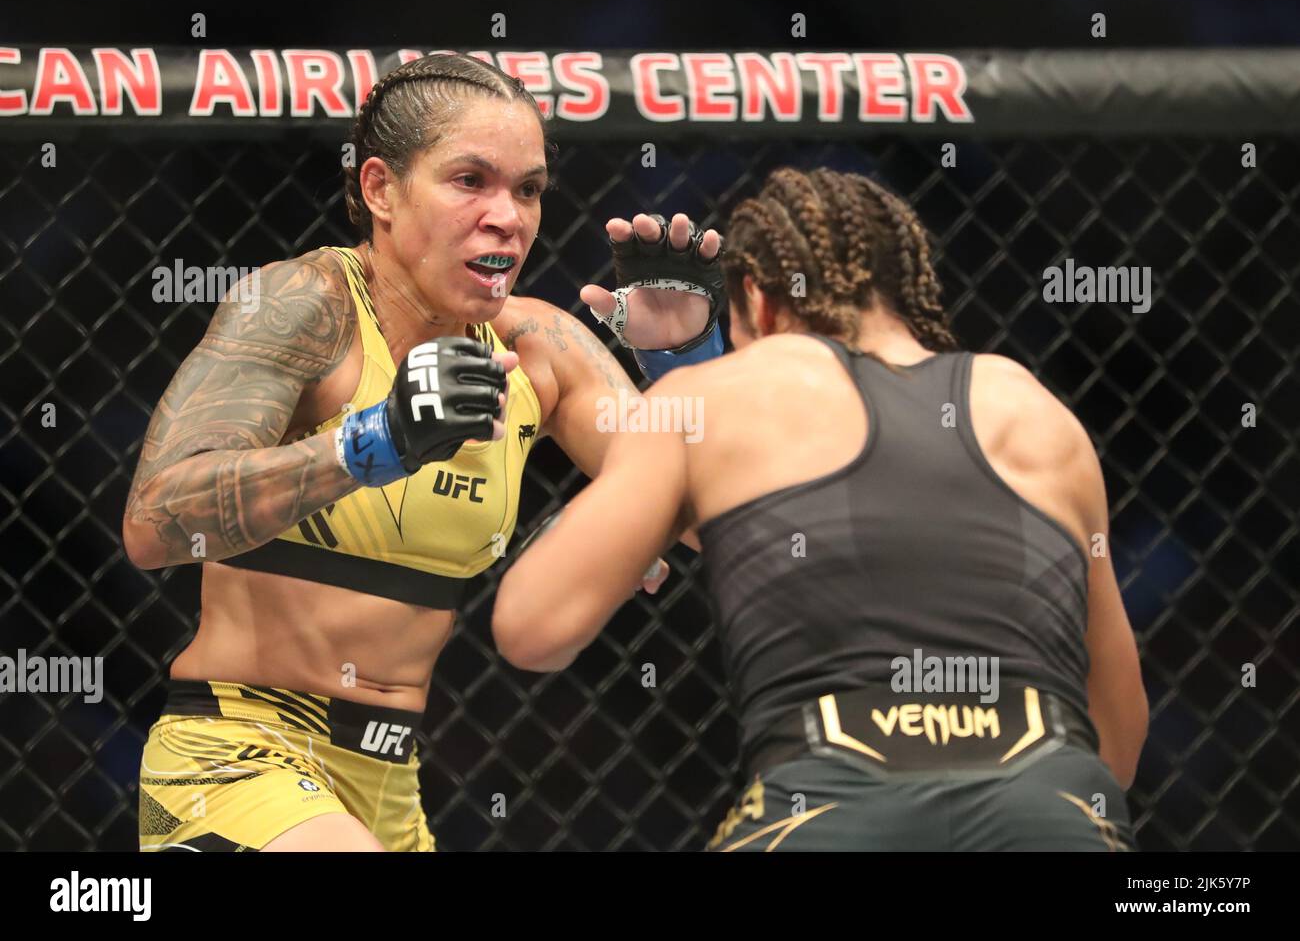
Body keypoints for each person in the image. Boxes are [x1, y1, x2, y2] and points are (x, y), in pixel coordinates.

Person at [123, 52, 720, 852]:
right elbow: (156, 520)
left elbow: (717, 521)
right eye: (470, 180)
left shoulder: (541, 347)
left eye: (529, 189)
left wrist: (692, 370)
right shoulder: (305, 306)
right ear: (379, 190)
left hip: (390, 788)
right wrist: (376, 444)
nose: (507, 215)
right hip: (238, 754)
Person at [493, 166, 1149, 851]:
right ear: (909, 284)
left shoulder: (723, 397)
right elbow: (1120, 742)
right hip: (1053, 808)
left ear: (758, 299)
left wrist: (601, 522)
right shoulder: (1036, 411)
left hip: (829, 807)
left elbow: (529, 628)